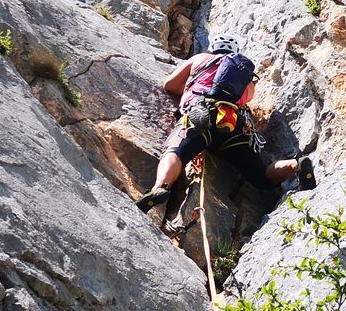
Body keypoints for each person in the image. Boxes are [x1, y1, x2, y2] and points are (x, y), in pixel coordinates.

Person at [135, 37, 315, 212]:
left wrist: (192, 91)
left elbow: (169, 85)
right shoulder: (244, 74)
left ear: (213, 47)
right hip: (232, 124)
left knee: (175, 152)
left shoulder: (200, 58)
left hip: (201, 113)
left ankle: (160, 188)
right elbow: (247, 98)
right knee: (260, 175)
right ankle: (295, 165)